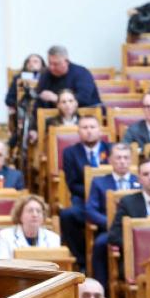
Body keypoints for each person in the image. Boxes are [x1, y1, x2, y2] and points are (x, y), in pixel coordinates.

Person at [59, 115, 110, 270]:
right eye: (84, 127)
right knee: (67, 216)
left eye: (92, 127)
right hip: (83, 199)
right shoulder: (70, 152)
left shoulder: (112, 150)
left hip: (109, 200)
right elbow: (72, 184)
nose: (89, 131)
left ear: (100, 130)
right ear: (78, 131)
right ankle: (82, 262)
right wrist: (93, 191)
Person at [85, 143, 137, 289]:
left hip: (136, 230)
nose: (122, 161)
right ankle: (101, 289)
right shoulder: (99, 182)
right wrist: (111, 224)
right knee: (100, 244)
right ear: (110, 160)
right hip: (111, 230)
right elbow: (90, 210)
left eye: (126, 158)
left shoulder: (140, 181)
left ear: (131, 160)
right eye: (118, 158)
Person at [0, 194, 60, 259]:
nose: (35, 215)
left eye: (38, 211)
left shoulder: (53, 238)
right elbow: (2, 264)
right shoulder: (5, 236)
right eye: (30, 211)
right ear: (20, 215)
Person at [36, 45, 100, 108]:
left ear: (66, 61)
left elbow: (84, 98)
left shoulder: (81, 73)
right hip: (53, 113)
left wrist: (57, 99)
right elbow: (38, 97)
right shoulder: (46, 74)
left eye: (56, 64)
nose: (51, 67)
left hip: (85, 111)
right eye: (50, 63)